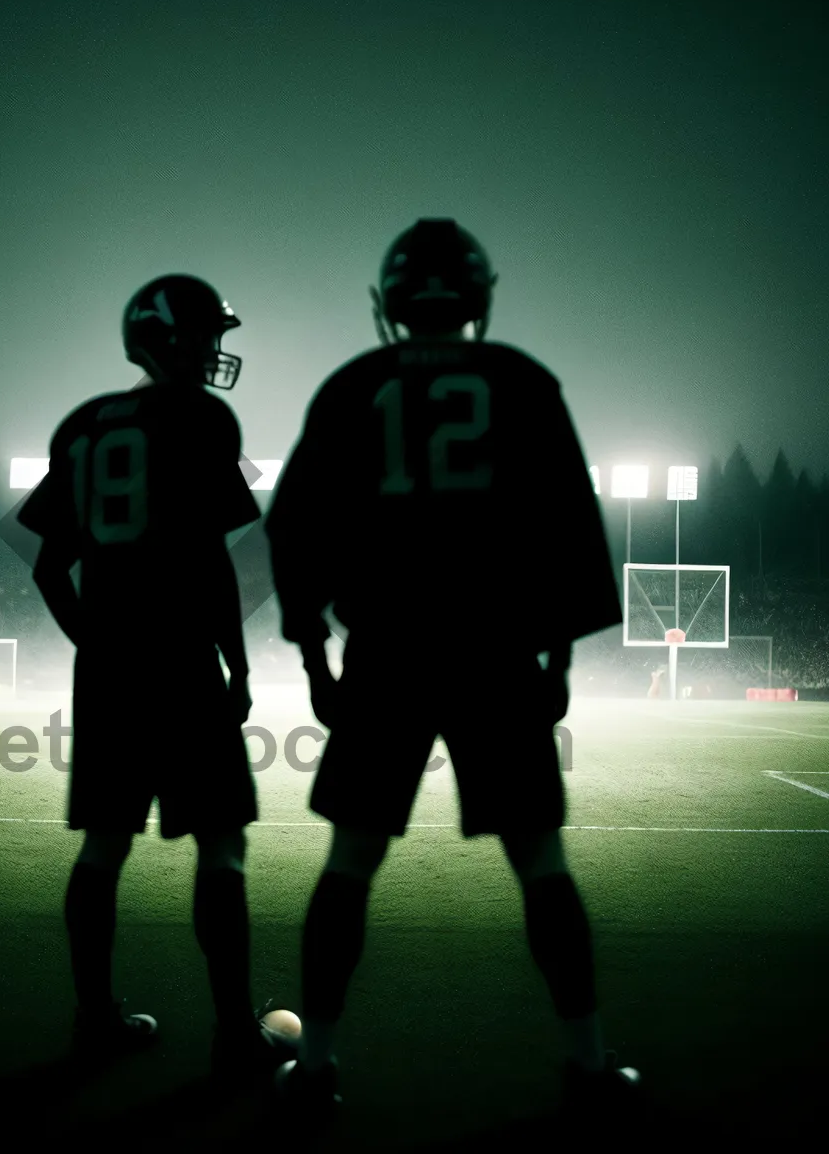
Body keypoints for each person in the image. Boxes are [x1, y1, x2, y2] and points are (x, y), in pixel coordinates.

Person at [266, 219, 640, 1120]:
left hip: (389, 649)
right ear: (478, 295)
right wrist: (557, 656)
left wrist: (316, 653)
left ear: (390, 302)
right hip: (496, 647)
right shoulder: (519, 378)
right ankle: (587, 1067)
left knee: (348, 861)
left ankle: (315, 1068)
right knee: (541, 859)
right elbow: (568, 523)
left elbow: (294, 527)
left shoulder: (353, 385)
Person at [18, 273, 297, 1080]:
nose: (216, 351)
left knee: (103, 849)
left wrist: (91, 644)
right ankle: (236, 1037)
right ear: (173, 337)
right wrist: (236, 666)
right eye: (209, 335)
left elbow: (47, 567)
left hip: (108, 672)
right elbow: (213, 559)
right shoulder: (203, 418)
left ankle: (94, 1018)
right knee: (222, 846)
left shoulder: (82, 426)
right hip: (180, 662)